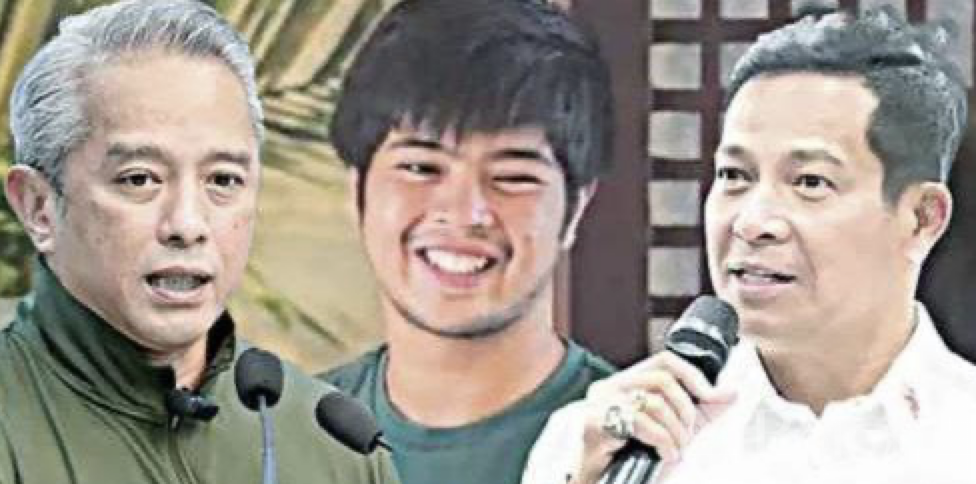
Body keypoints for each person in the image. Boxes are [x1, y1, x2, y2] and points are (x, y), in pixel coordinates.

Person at [523, 7, 975, 484]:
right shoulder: (602, 444)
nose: (753, 222)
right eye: (735, 175)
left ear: (921, 218)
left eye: (810, 182)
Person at [0, 1, 399, 483]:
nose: (187, 225)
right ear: (39, 207)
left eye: (223, 180)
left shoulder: (331, 447)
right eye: (140, 178)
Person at [319, 0, 616, 483]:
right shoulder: (280, 444)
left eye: (513, 176)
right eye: (421, 167)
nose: (465, 213)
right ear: (358, 191)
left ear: (576, 208)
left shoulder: (641, 450)